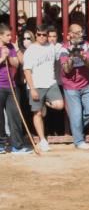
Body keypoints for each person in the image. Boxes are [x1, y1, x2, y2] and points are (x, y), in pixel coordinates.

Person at [23, 23, 64, 152]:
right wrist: (32, 88)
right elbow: (27, 70)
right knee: (37, 113)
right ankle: (42, 140)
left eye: (44, 35)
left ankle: (45, 103)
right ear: (36, 35)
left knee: (60, 105)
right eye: (39, 34)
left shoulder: (51, 47)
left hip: (50, 83)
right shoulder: (31, 50)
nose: (41, 37)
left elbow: (62, 54)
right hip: (36, 84)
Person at [60, 24, 89, 150]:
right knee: (76, 113)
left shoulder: (86, 45)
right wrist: (71, 58)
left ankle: (77, 128)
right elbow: (66, 69)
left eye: (81, 32)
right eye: (77, 33)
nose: (80, 35)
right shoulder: (64, 48)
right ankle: (79, 141)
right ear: (70, 34)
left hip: (85, 84)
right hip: (71, 86)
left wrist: (82, 57)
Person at [0, 23, 32, 155]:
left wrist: (10, 56)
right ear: (0, 35)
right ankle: (1, 145)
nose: (10, 37)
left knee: (15, 115)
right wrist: (2, 58)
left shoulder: (10, 46)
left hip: (11, 86)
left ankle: (17, 146)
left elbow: (17, 63)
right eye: (7, 35)